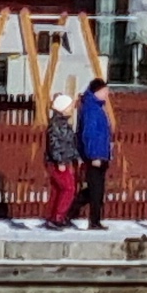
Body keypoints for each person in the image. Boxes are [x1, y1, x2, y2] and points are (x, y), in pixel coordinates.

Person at [41, 86, 86, 229]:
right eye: (69, 107)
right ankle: (58, 216)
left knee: (58, 189)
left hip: (65, 160)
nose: (71, 109)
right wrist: (59, 160)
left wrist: (76, 156)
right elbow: (55, 144)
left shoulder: (63, 123)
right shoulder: (56, 125)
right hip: (59, 162)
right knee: (68, 189)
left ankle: (53, 216)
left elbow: (69, 144)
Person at [73, 78, 116, 230]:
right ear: (97, 91)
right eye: (105, 91)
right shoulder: (91, 109)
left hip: (101, 154)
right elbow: (89, 134)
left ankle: (68, 212)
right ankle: (93, 221)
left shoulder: (98, 107)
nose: (107, 93)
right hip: (95, 156)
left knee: (95, 189)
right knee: (95, 191)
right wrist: (94, 156)